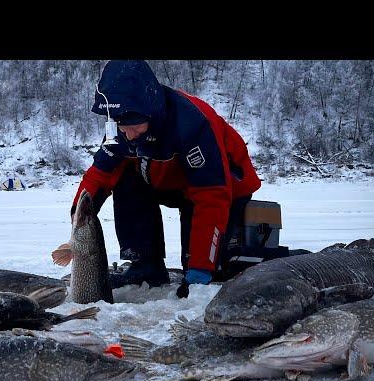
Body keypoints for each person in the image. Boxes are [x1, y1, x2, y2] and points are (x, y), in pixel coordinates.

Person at [71, 60, 261, 296]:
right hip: (164, 178)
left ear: (150, 111)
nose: (127, 134)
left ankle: (207, 265)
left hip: (224, 186)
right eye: (121, 125)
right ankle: (144, 263)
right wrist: (79, 215)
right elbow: (99, 175)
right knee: (126, 178)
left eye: (134, 126)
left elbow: (211, 198)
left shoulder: (192, 125)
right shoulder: (122, 129)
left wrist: (200, 269)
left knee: (212, 269)